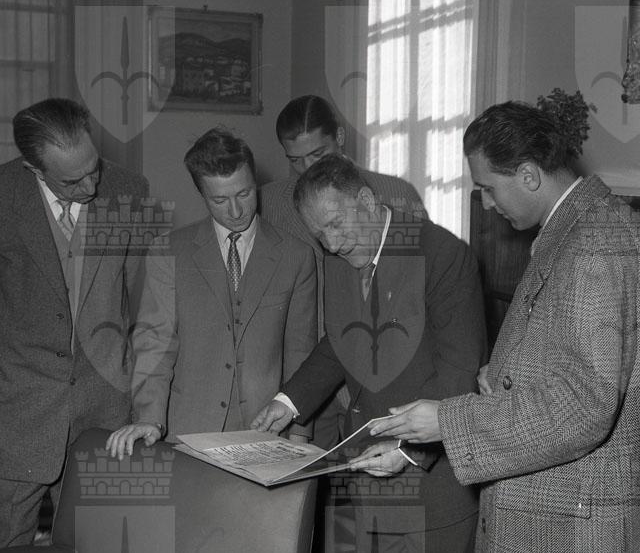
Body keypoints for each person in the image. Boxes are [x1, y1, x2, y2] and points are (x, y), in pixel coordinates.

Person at [365, 101, 640, 551]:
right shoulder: (573, 230)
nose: (487, 204)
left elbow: (585, 406)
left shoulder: (593, 245)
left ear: (529, 175)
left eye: (488, 188)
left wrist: (447, 422)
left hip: (569, 527)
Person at [252, 153, 486, 552]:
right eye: (320, 235)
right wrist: (288, 402)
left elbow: (459, 370)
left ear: (366, 200)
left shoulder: (441, 254)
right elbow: (341, 341)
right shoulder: (341, 256)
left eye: (336, 225)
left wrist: (409, 450)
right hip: (367, 481)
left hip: (433, 490)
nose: (332, 244)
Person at [106, 127, 317, 459]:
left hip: (265, 435)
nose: (235, 211)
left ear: (256, 182)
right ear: (201, 194)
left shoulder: (296, 256)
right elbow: (155, 345)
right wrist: (149, 418)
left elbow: (300, 353)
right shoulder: (168, 252)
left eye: (244, 194)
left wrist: (300, 435)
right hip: (187, 434)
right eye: (219, 200)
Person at [0, 98, 149, 547]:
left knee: (99, 542)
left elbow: (139, 301)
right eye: (72, 180)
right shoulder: (3, 195)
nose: (91, 185)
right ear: (34, 168)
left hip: (104, 409)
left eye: (94, 168)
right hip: (17, 409)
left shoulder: (130, 190)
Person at [260, 94, 428, 450]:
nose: (306, 168)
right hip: (306, 376)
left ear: (339, 137)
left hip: (380, 370)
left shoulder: (397, 195)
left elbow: (416, 292)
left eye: (317, 154)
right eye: (294, 160)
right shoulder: (270, 203)